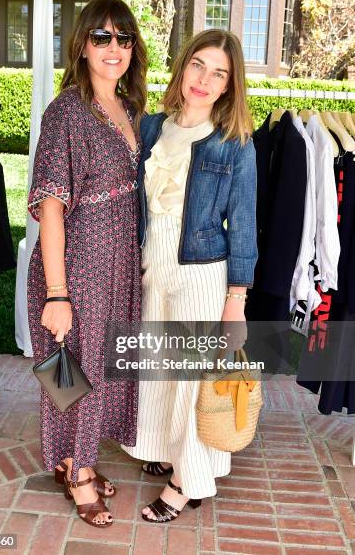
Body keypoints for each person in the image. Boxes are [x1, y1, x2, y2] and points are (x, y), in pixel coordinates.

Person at [122, 29, 258, 522]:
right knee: (157, 368)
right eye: (198, 65)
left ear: (229, 85)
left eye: (218, 73)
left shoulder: (234, 145)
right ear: (182, 68)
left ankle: (187, 482)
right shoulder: (153, 127)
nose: (204, 79)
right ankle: (163, 448)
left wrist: (236, 298)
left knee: (191, 380)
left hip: (201, 270)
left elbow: (243, 224)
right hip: (151, 262)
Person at [27, 0, 147, 528]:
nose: (114, 48)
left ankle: (76, 457)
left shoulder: (127, 106)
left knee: (94, 371)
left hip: (116, 268)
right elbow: (50, 206)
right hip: (76, 268)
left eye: (123, 38)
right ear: (81, 45)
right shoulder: (65, 111)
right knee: (73, 373)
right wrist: (57, 294)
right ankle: (77, 477)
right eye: (102, 37)